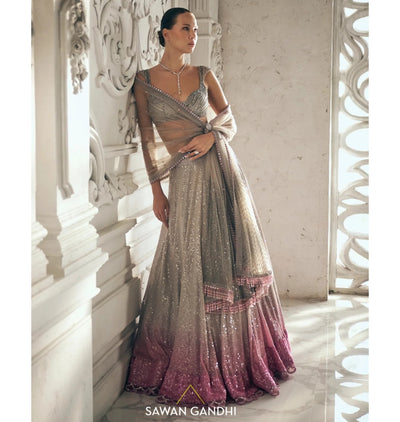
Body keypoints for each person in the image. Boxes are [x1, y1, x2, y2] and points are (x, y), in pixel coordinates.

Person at [125, 7, 296, 407]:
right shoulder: (144, 83)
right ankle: (195, 358)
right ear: (165, 33)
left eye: (196, 30)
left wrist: (211, 137)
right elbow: (148, 141)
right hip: (184, 181)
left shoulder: (204, 74)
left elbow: (229, 121)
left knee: (229, 261)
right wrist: (157, 192)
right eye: (186, 28)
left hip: (221, 172)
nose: (193, 35)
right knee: (192, 260)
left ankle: (239, 359)